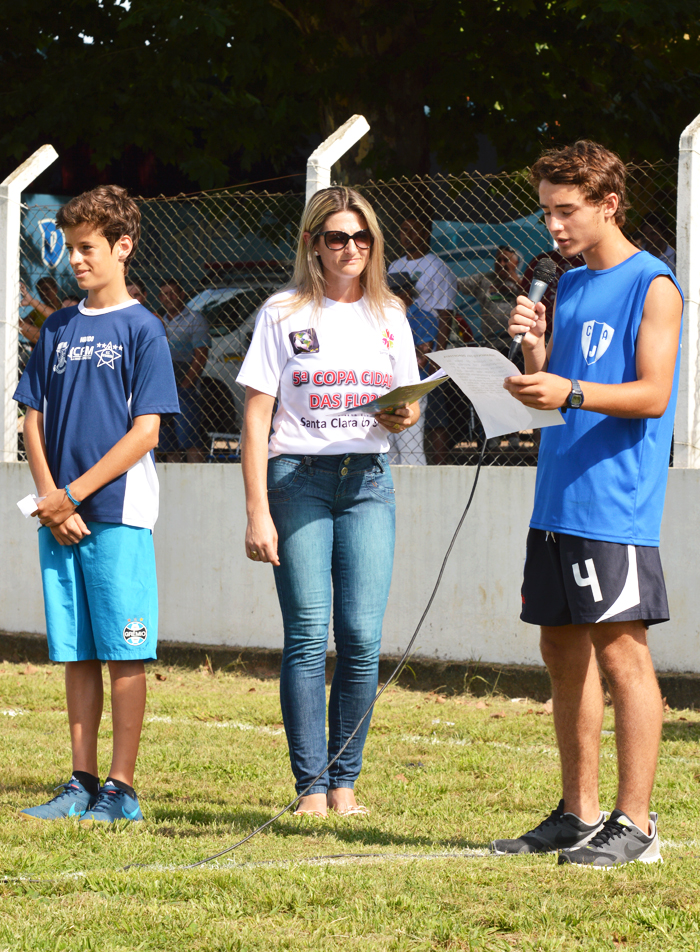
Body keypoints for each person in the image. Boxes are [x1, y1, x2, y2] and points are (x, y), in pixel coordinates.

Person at [493, 141, 683, 867]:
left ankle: (636, 825)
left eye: (565, 211)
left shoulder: (653, 284)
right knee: (560, 650)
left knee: (623, 654)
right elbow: (554, 395)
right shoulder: (567, 286)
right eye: (545, 211)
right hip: (557, 498)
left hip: (614, 505)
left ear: (609, 203)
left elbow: (653, 395)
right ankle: (579, 813)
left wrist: (568, 389)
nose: (554, 227)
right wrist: (535, 360)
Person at [237, 186, 420, 817]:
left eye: (362, 237)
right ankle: (310, 788)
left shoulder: (391, 314)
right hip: (297, 479)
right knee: (309, 635)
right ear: (313, 243)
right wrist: (257, 510)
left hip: (369, 480)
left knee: (363, 638)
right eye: (337, 237)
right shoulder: (282, 312)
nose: (351, 248)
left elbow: (408, 401)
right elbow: (256, 419)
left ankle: (345, 785)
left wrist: (404, 414)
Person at [13, 185, 179, 824]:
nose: (76, 261)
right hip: (60, 517)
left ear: (123, 246)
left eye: (89, 248)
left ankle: (121, 787)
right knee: (77, 651)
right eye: (71, 249)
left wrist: (73, 495)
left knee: (124, 649)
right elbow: (33, 418)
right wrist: (53, 501)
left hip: (116, 517)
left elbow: (146, 431)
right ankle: (79, 782)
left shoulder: (144, 329)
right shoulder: (56, 327)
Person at [388, 217, 457, 464]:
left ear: (424, 234)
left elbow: (445, 314)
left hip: (426, 353)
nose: (406, 236)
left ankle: (436, 467)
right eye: (402, 230)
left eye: (412, 230)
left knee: (429, 419)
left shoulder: (437, 268)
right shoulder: (394, 266)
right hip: (395, 350)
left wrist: (438, 354)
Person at [158, 278, 210, 463]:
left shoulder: (195, 319)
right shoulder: (158, 321)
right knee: (166, 442)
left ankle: (199, 482)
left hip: (185, 387)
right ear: (159, 298)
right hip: (163, 388)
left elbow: (201, 355)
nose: (169, 297)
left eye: (172, 292)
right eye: (164, 294)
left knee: (189, 439)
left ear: (181, 295)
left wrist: (186, 384)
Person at [457, 245, 524, 352]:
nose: (501, 264)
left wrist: (514, 279)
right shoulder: (484, 279)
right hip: (492, 343)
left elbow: (535, 299)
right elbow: (455, 284)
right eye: (498, 260)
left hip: (517, 342)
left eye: (506, 260)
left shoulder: (523, 282)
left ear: (515, 263)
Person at [19, 277, 63, 345]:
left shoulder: (64, 308)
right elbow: (21, 324)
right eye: (40, 290)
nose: (44, 293)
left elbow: (58, 317)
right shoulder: (36, 311)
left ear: (55, 289)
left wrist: (32, 302)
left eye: (47, 289)